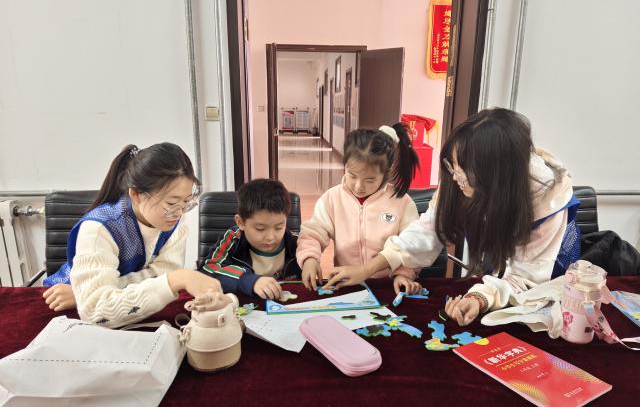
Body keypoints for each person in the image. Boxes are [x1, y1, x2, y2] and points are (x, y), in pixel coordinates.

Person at [325, 108, 581, 325]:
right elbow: (428, 229)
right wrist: (368, 268)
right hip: (496, 276)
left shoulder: (547, 201)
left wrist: (481, 297)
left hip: (544, 293)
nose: (456, 178)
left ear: (496, 179)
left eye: (464, 174)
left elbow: (526, 279)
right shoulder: (463, 171)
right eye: (453, 166)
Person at [43, 142, 225, 327]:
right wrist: (176, 279)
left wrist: (94, 292)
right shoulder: (100, 229)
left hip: (109, 303)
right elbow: (95, 312)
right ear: (136, 195)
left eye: (186, 202)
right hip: (62, 305)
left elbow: (165, 272)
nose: (179, 212)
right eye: (171, 203)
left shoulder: (175, 219)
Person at [297, 123, 422, 294]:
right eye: (352, 175)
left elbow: (412, 246)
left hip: (387, 286)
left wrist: (403, 274)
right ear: (345, 165)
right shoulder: (332, 199)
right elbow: (313, 234)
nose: (358, 186)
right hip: (347, 286)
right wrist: (309, 259)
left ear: (386, 173)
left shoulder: (402, 203)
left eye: (370, 180)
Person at [198, 179, 301, 300]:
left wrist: (310, 261)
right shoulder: (233, 238)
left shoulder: (296, 243)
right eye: (260, 229)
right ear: (241, 222)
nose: (270, 237)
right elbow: (207, 269)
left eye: (279, 227)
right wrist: (249, 280)